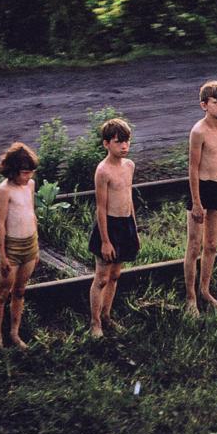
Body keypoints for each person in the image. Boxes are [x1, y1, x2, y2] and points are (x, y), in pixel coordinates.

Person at [184, 80, 217, 316]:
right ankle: (190, 297)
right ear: (204, 104)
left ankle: (205, 290)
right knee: (194, 246)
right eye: (216, 102)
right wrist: (196, 202)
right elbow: (193, 168)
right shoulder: (198, 131)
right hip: (201, 189)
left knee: (212, 244)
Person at [88, 118, 139, 338]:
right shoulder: (103, 171)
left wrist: (134, 229)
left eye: (127, 141)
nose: (124, 146)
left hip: (126, 223)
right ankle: (95, 322)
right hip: (108, 226)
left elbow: (129, 199)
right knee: (101, 277)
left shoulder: (129, 166)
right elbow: (100, 207)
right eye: (119, 142)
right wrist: (106, 240)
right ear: (106, 144)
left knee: (116, 274)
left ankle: (107, 316)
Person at [0, 141, 40, 349]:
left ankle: (14, 332)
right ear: (12, 171)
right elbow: (0, 224)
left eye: (30, 173)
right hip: (12, 247)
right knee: (3, 291)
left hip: (30, 244)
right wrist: (3, 255)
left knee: (20, 291)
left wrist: (37, 247)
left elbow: (32, 214)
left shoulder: (30, 185)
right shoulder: (4, 190)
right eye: (24, 173)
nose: (28, 177)